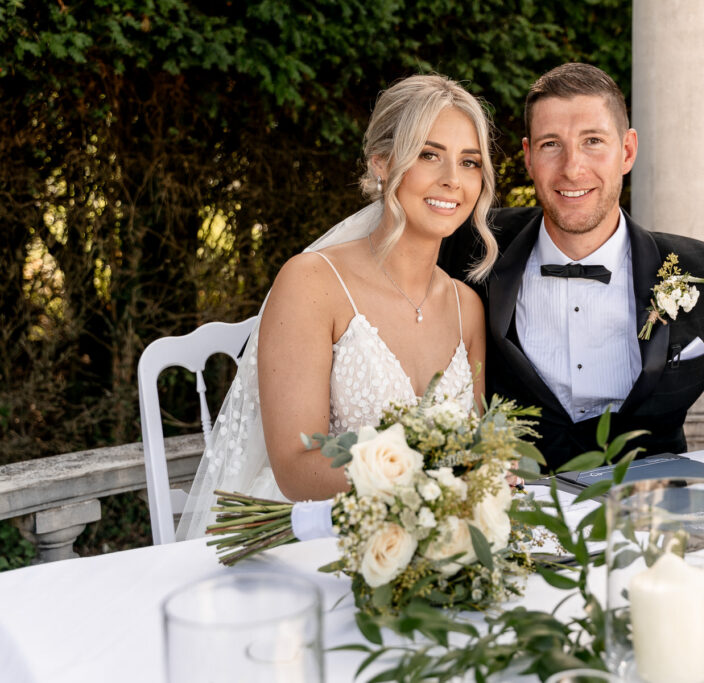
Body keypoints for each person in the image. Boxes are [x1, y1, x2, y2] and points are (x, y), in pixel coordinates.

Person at [439, 63, 704, 481]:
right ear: (529, 157)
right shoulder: (469, 242)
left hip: (652, 516)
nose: (572, 168)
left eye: (592, 141)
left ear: (627, 151)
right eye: (552, 144)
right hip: (510, 512)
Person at [177, 74, 497, 540]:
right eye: (429, 155)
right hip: (312, 536)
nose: (452, 179)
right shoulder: (311, 282)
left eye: (469, 162)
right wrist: (422, 474)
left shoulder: (466, 307)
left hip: (435, 535)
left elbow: (476, 451)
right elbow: (293, 469)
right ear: (382, 164)